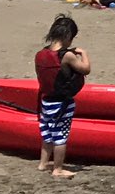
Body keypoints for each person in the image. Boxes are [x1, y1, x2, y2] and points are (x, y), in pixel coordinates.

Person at [34, 15, 89, 180]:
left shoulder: (40, 54)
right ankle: (57, 168)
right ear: (67, 37)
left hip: (45, 101)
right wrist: (83, 53)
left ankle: (43, 164)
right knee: (61, 136)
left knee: (47, 134)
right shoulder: (67, 56)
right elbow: (85, 69)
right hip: (62, 103)